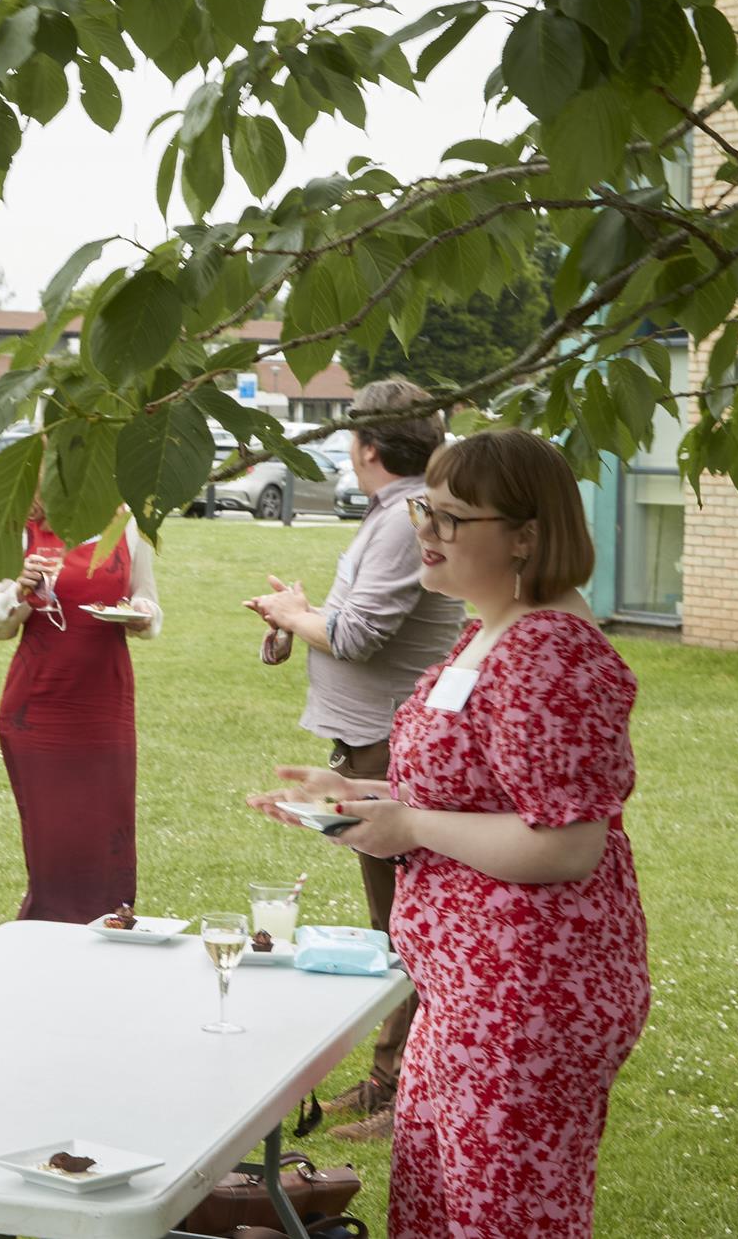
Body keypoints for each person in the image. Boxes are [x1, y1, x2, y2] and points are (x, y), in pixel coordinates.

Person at [250, 430, 651, 1239]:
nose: (422, 530)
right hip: (466, 991)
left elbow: (570, 842)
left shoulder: (551, 652)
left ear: (526, 537)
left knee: (501, 1219)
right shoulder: (491, 627)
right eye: (425, 508)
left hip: (528, 995)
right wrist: (364, 796)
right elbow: (474, 788)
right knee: (441, 1209)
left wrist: (408, 823)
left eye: (452, 517)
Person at [240, 379, 466, 1141]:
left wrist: (295, 615)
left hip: (393, 742)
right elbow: (349, 623)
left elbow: (359, 635)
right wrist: (294, 619)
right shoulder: (395, 513)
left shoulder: (404, 518)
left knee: (404, 922)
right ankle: (389, 1079)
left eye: (349, 436)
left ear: (365, 445)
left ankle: (401, 1088)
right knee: (393, 920)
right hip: (375, 738)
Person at [0, 500, 161, 922]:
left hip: (105, 705)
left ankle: (111, 936)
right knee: (55, 854)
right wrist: (18, 592)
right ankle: (46, 949)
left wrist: (142, 617)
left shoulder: (129, 523)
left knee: (109, 845)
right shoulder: (17, 524)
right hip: (39, 709)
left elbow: (148, 603)